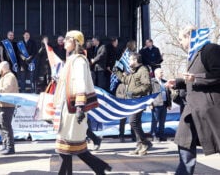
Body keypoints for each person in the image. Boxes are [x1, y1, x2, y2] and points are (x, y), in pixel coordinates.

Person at [53, 30, 111, 175]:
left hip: (73, 109)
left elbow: (80, 82)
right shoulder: (72, 59)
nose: (64, 41)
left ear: (74, 41)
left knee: (66, 147)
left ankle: (99, 167)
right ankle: (99, 167)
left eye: (67, 39)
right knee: (69, 148)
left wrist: (79, 106)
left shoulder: (79, 60)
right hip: (67, 108)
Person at [165, 26, 220, 175]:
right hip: (192, 109)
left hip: (209, 109)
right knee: (184, 140)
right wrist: (178, 82)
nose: (180, 42)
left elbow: (217, 73)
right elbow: (192, 79)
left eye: (181, 38)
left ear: (190, 36)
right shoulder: (193, 54)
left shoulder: (211, 49)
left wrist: (196, 79)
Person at [115, 52, 152, 155]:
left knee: (133, 122)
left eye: (131, 60)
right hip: (132, 101)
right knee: (135, 123)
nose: (129, 61)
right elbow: (125, 80)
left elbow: (147, 86)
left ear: (136, 60)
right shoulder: (133, 71)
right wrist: (117, 72)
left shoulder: (143, 70)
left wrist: (134, 92)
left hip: (138, 100)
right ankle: (140, 145)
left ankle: (145, 142)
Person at [0, 61, 19, 155]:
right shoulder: (5, 76)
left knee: (5, 125)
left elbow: (6, 89)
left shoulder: (10, 76)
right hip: (1, 105)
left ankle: (10, 147)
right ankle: (5, 144)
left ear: (3, 68)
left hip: (7, 105)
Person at [150, 68, 171, 142]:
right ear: (156, 73)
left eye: (162, 72)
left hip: (164, 104)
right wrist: (150, 103)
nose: (162, 74)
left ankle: (161, 135)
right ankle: (154, 135)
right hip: (156, 104)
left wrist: (169, 104)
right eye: (161, 72)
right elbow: (149, 93)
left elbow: (168, 93)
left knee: (162, 121)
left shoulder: (165, 82)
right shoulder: (152, 82)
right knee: (155, 121)